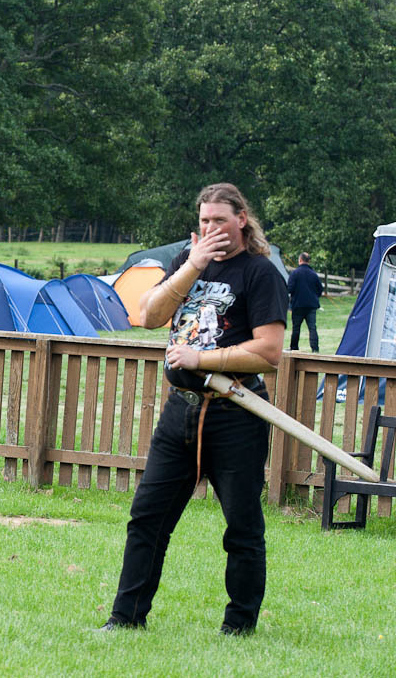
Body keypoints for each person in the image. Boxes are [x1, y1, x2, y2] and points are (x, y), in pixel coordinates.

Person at [99, 183, 287, 635]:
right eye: (204, 221)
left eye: (219, 220)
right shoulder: (187, 264)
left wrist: (201, 359)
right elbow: (149, 315)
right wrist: (195, 264)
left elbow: (269, 351)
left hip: (236, 413)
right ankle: (125, 619)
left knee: (241, 527)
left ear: (241, 219)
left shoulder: (261, 274)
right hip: (180, 411)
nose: (211, 229)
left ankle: (239, 626)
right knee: (147, 518)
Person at [287, 252, 323, 353]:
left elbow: (289, 289)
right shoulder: (313, 274)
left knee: (296, 328)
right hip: (311, 306)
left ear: (300, 260)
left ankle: (294, 348)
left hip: (298, 305)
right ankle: (315, 349)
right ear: (309, 261)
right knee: (312, 328)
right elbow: (320, 289)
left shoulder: (295, 273)